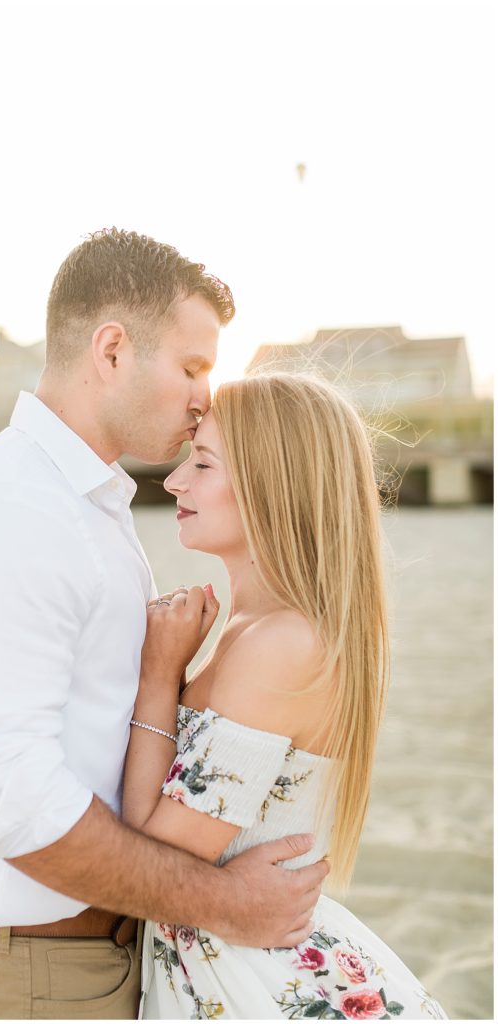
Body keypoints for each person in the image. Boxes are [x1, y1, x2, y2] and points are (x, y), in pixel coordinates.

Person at [0, 228, 329, 1020]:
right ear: (113, 350)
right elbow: (4, 795)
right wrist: (225, 904)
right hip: (20, 978)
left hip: (83, 961)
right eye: (193, 366)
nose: (206, 393)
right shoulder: (12, 513)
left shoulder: (84, 508)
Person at [122, 371, 448, 1020]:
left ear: (276, 485)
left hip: (255, 981)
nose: (176, 480)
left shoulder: (281, 644)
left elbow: (151, 865)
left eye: (204, 462)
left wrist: (160, 677)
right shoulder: (254, 630)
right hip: (229, 964)